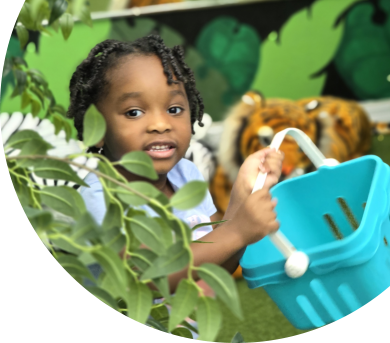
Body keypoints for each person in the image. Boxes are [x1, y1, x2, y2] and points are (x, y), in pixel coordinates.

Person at [66, 33, 284, 337]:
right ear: (97, 128)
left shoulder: (187, 176)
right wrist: (238, 230)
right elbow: (148, 277)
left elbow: (213, 264)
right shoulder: (97, 196)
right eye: (134, 112)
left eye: (174, 109)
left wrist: (243, 193)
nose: (160, 124)